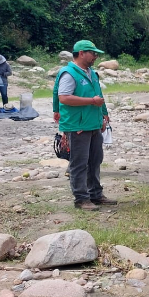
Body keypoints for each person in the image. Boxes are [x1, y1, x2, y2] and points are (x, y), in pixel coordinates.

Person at [55, 41, 114, 210]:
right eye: (93, 53)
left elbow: (98, 94)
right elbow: (64, 97)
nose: (96, 56)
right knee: (79, 163)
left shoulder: (91, 73)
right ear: (81, 53)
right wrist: (91, 102)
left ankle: (95, 194)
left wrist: (104, 114)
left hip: (93, 122)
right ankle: (81, 199)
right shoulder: (69, 73)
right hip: (78, 125)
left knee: (95, 160)